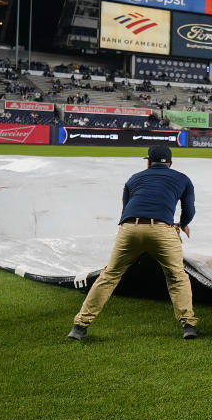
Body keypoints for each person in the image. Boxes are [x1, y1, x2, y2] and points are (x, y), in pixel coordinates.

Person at [67, 144, 199, 341]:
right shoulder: (183, 178)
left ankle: (79, 326)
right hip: (162, 229)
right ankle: (188, 325)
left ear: (148, 162)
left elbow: (125, 210)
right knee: (177, 276)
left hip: (129, 228)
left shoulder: (134, 178)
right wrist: (183, 225)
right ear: (170, 163)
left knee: (109, 275)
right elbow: (189, 210)